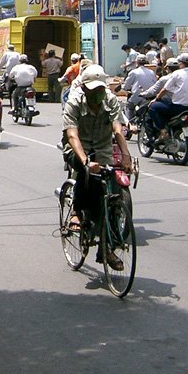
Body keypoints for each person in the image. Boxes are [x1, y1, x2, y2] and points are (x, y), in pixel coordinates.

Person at [62, 65, 133, 271]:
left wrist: (125, 155)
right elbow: (72, 135)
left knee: (110, 192)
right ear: (84, 89)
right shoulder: (74, 101)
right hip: (78, 148)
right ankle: (77, 211)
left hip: (102, 149)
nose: (97, 94)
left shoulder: (110, 100)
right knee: (85, 174)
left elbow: (117, 128)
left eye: (100, 89)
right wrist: (84, 160)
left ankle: (106, 248)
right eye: (93, 90)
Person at [148, 52, 188, 141]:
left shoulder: (177, 73)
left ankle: (163, 132)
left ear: (180, 63)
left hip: (177, 107)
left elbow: (165, 89)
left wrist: (156, 98)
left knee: (153, 107)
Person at [121, 50, 158, 124]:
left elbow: (126, 86)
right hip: (149, 97)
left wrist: (124, 87)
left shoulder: (134, 72)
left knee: (129, 107)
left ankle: (130, 124)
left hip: (137, 96)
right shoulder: (151, 72)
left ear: (137, 62)